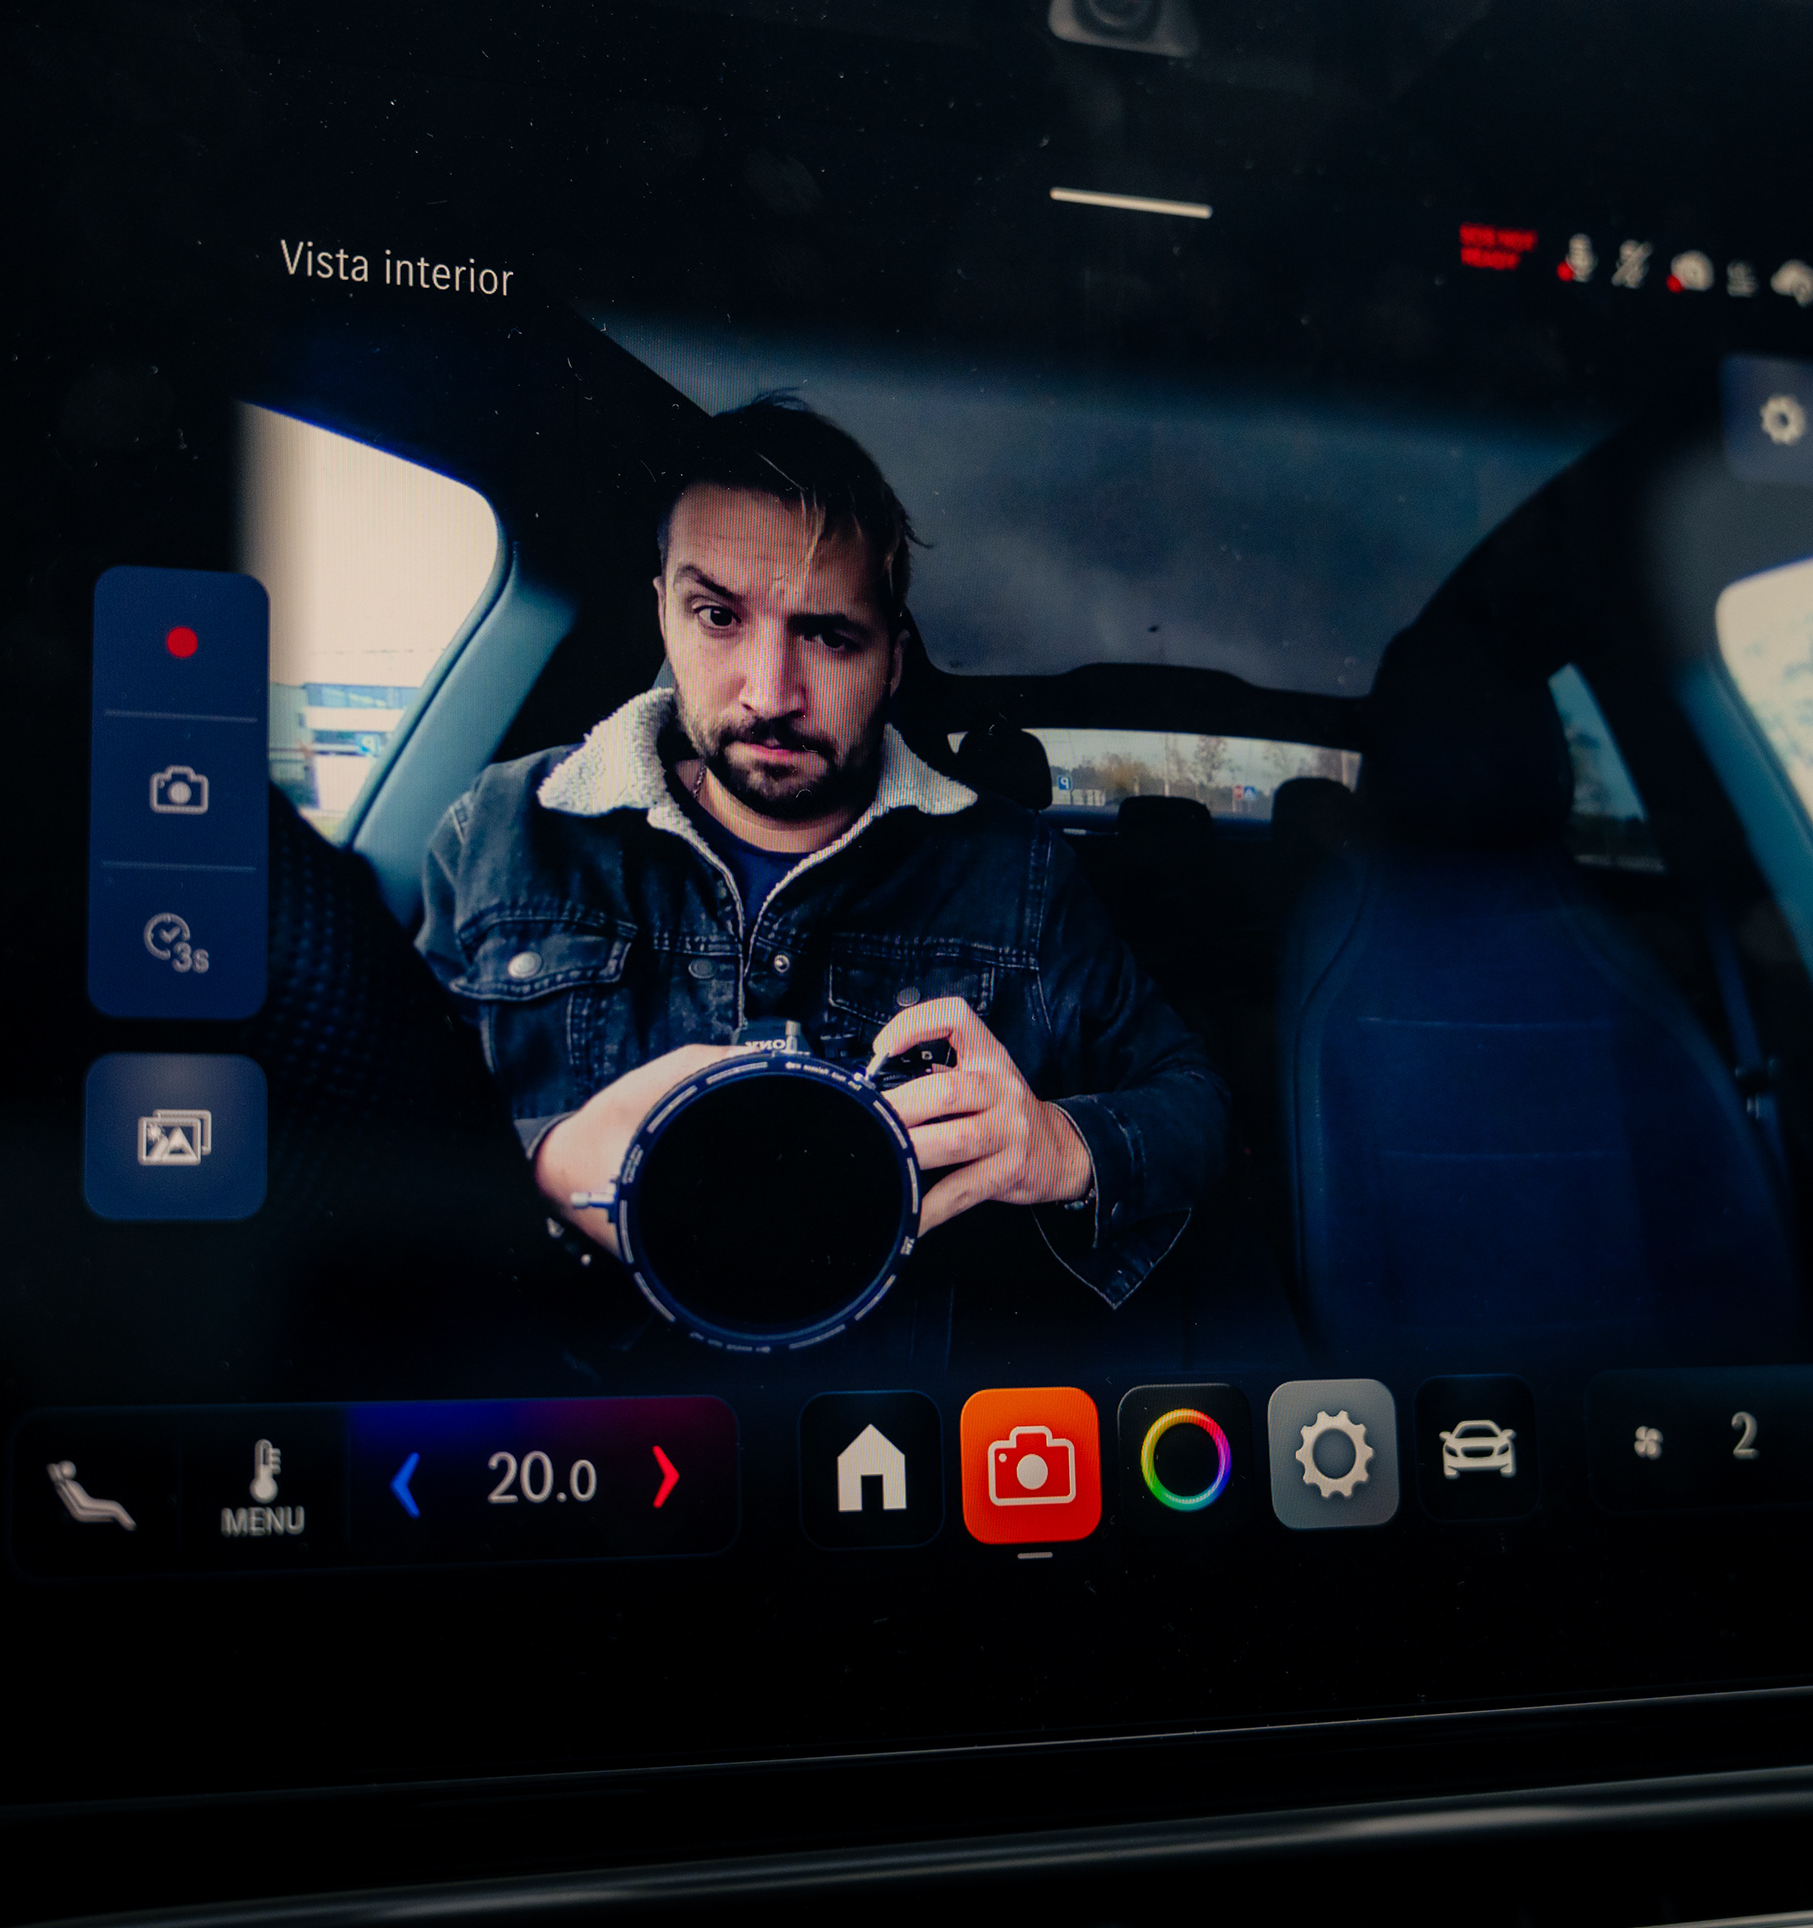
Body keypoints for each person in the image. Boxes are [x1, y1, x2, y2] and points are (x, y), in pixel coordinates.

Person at [417, 393, 1224, 1309]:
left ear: (891, 662)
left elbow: (1191, 1099)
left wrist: (1061, 1145)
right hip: (575, 1384)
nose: (770, 693)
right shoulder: (504, 830)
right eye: (718, 617)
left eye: (829, 636)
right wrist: (550, 1168)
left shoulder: (1016, 875)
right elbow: (366, 1139)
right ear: (664, 615)